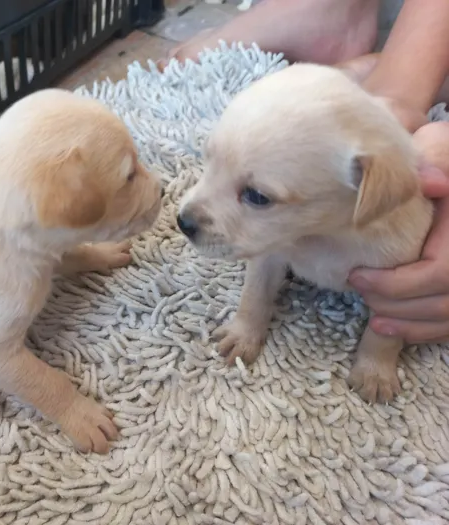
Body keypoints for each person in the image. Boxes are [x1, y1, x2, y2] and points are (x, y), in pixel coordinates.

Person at [163, 0, 449, 343]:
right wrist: (248, 321)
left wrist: (378, 355)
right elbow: (268, 255)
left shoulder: (392, 226)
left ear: (371, 191)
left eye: (256, 196)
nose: (191, 210)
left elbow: (398, 295)